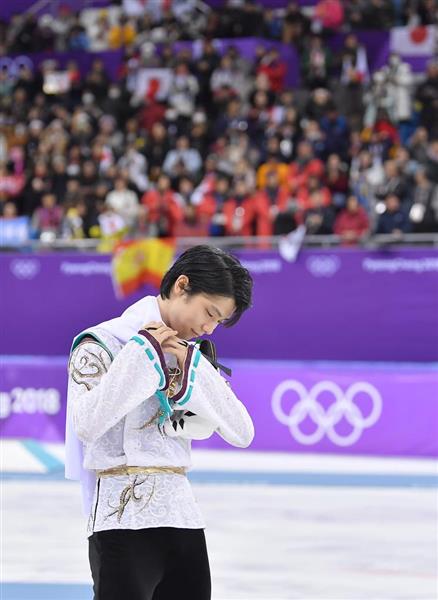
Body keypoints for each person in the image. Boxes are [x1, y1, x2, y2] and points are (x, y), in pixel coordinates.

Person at [65, 245, 254, 600]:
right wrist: (143, 352)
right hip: (121, 521)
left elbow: (241, 431)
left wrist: (194, 370)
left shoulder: (190, 356)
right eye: (210, 313)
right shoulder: (102, 342)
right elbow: (86, 424)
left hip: (183, 518)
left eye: (218, 322)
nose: (210, 329)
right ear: (182, 285)